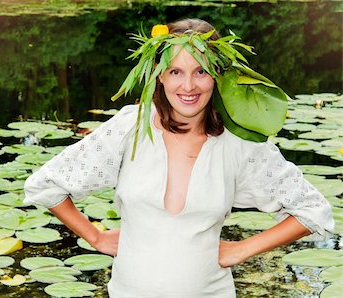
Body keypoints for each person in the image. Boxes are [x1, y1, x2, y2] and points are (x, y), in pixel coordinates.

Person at [24, 18, 334, 297]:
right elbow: (46, 185)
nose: (188, 86)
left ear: (219, 76)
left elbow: (312, 211)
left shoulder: (240, 140)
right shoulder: (130, 126)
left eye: (201, 71)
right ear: (159, 76)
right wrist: (95, 237)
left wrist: (240, 250)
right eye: (176, 72)